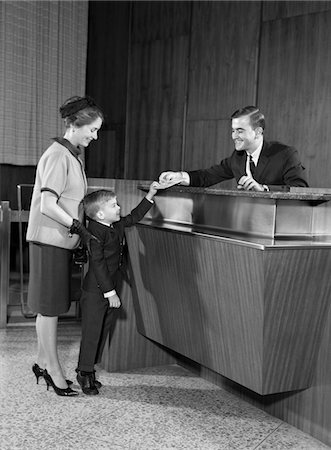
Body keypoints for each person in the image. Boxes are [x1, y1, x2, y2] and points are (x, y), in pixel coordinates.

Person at [27, 95, 104, 396]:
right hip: (50, 240)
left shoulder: (69, 155)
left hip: (57, 241)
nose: (94, 136)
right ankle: (53, 371)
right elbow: (48, 203)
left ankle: (42, 362)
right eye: (92, 130)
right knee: (50, 310)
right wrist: (78, 227)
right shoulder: (58, 155)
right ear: (76, 124)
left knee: (49, 308)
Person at [75, 182, 161, 395]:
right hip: (97, 290)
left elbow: (134, 216)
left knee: (103, 329)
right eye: (114, 205)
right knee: (92, 332)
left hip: (110, 286)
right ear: (101, 214)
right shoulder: (95, 233)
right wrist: (110, 292)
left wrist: (150, 195)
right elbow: (98, 264)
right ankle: (83, 372)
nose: (119, 208)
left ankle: (90, 369)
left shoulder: (115, 225)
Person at [159, 105, 308, 192]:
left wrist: (264, 189)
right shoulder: (237, 158)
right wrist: (180, 176)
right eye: (233, 130)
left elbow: (300, 190)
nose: (234, 136)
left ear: (257, 132)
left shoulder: (285, 154)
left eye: (240, 131)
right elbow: (208, 176)